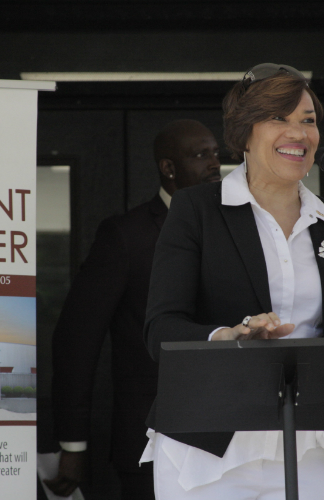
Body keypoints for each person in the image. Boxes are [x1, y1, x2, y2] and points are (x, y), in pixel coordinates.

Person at [140, 63, 324, 500]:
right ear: (244, 133)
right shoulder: (197, 210)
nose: (299, 133)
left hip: (308, 448)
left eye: (308, 120)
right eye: (278, 119)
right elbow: (161, 329)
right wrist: (226, 337)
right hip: (208, 450)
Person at [43, 119, 221, 499]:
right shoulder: (126, 236)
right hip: (150, 443)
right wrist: (73, 444)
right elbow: (77, 341)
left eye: (216, 153)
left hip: (234, 440)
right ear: (168, 168)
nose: (213, 164)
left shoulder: (238, 227)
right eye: (200, 154)